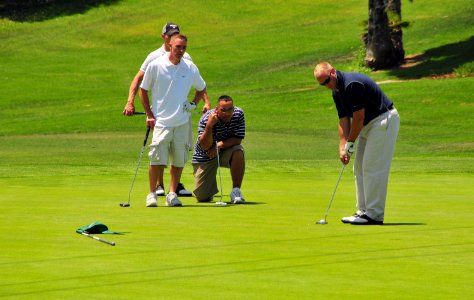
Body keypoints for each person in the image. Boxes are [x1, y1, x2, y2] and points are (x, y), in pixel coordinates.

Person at [124, 22, 210, 198]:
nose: (180, 47)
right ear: (165, 38)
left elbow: (198, 83)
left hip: (181, 117)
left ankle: (173, 189)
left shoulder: (188, 60)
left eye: (177, 35)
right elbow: (141, 82)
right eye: (171, 36)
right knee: (158, 154)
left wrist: (200, 102)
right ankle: (157, 187)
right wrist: (130, 102)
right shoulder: (154, 58)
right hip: (161, 116)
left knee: (179, 154)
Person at [314, 62, 400, 225]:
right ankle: (363, 211)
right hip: (368, 125)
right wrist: (342, 147)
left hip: (383, 120)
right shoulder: (336, 92)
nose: (327, 86)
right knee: (359, 168)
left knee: (371, 167)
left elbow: (358, 117)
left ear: (333, 72)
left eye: (327, 81)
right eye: (322, 84)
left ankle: (374, 214)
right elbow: (343, 119)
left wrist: (350, 143)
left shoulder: (351, 84)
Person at [140, 34, 207, 207]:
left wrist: (193, 103)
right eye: (178, 46)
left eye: (184, 47)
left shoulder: (190, 67)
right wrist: (149, 114)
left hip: (182, 122)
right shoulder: (156, 65)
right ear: (169, 45)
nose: (181, 50)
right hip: (161, 121)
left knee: (178, 160)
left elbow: (201, 88)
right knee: (156, 159)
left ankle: (171, 194)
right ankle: (152, 194)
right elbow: (143, 90)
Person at [192, 95, 246, 204]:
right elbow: (204, 146)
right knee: (203, 198)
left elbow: (238, 139)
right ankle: (209, 190)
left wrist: (218, 146)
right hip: (205, 155)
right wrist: (209, 126)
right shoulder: (206, 118)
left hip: (224, 151)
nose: (227, 113)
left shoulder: (238, 114)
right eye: (223, 110)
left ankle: (236, 191)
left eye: (230, 109)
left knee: (238, 151)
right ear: (217, 109)